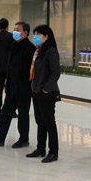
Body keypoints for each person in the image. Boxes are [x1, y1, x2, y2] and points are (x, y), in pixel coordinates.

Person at [0, 22, 36, 148]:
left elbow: (32, 70)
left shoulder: (30, 48)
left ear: (25, 33)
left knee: (23, 114)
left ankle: (23, 139)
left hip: (23, 87)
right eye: (14, 29)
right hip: (12, 86)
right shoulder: (14, 45)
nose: (15, 32)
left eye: (18, 30)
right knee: (5, 113)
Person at [26, 24, 61, 163]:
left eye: (38, 34)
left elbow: (55, 72)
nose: (35, 37)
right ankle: (40, 148)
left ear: (46, 37)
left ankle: (53, 152)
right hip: (36, 90)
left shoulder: (50, 51)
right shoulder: (38, 50)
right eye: (34, 34)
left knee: (49, 122)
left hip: (46, 92)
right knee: (40, 121)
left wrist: (46, 88)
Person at [0, 18, 13, 117]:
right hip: (9, 66)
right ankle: (8, 109)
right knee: (9, 89)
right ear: (7, 26)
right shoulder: (11, 37)